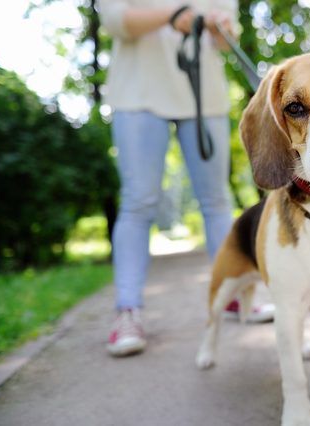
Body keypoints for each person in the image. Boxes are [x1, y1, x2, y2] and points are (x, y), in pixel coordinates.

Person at [97, 0, 272, 357]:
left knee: (216, 200)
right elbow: (117, 22)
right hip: (137, 94)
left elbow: (226, 40)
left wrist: (220, 24)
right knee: (138, 201)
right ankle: (127, 312)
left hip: (204, 97)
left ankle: (236, 294)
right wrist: (173, 15)